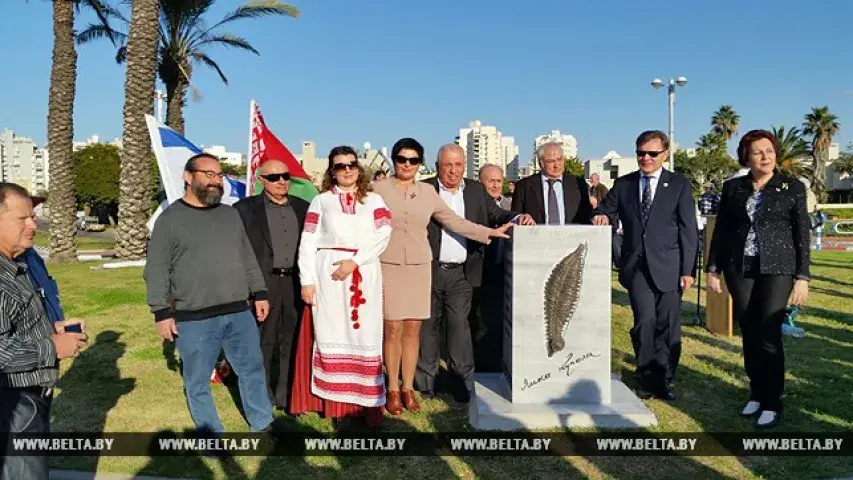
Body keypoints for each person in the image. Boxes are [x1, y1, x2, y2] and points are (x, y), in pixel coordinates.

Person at [372, 138, 512, 415]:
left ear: (420, 164)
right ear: (394, 160)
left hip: (420, 265)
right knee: (392, 330)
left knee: (413, 329)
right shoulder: (378, 189)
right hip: (388, 265)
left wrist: (488, 233)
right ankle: (392, 389)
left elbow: (453, 221)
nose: (407, 165)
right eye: (402, 159)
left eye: (413, 160)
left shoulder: (426, 192)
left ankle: (409, 388)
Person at [144, 153, 277, 435]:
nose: (216, 181)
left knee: (252, 369)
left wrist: (260, 292)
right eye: (208, 174)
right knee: (198, 381)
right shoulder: (169, 220)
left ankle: (262, 422)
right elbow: (156, 269)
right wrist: (161, 312)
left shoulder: (230, 215)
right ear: (188, 177)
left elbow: (247, 256)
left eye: (218, 175)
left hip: (239, 312)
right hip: (194, 318)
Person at [706, 130, 810, 429]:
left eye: (769, 151)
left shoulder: (791, 187)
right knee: (749, 332)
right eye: (758, 152)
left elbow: (801, 232)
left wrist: (802, 276)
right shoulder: (733, 188)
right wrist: (713, 269)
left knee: (768, 332)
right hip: (739, 268)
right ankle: (756, 391)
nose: (765, 157)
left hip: (778, 268)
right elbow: (722, 231)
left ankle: (772, 401)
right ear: (746, 157)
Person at [416, 148, 531, 401]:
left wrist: (518, 217)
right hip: (428, 269)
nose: (453, 170)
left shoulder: (475, 190)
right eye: (447, 165)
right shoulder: (423, 189)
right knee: (429, 327)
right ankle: (426, 382)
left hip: (462, 273)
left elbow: (496, 213)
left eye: (458, 164)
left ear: (464, 165)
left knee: (459, 327)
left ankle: (462, 381)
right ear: (437, 165)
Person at [593, 130, 698, 401]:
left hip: (670, 267)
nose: (646, 158)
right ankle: (646, 375)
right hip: (636, 266)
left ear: (664, 154)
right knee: (645, 322)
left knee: (668, 326)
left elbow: (688, 230)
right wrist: (602, 217)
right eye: (641, 153)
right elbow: (605, 209)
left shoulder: (679, 184)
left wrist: (688, 270)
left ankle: (663, 378)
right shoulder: (624, 184)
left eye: (652, 153)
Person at [291, 146, 392, 427]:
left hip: (364, 272)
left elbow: (384, 233)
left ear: (358, 168)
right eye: (339, 166)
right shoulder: (321, 202)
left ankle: (365, 404)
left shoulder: (374, 199)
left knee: (364, 334)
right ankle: (335, 406)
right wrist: (307, 280)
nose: (346, 169)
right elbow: (308, 242)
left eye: (351, 164)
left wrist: (355, 262)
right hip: (328, 276)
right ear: (331, 172)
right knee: (331, 331)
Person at [0, 183, 87, 480]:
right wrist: (52, 346)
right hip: (12, 402)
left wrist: (53, 329)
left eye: (33, 216)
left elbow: (14, 323)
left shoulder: (18, 263)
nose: (33, 223)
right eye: (23, 218)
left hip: (31, 397)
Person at [233, 159, 309, 411]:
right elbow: (237, 251)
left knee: (293, 341)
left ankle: (287, 396)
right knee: (262, 343)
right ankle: (260, 396)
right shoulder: (244, 209)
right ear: (261, 180)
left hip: (296, 284)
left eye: (285, 176)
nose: (281, 182)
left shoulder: (304, 208)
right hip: (262, 285)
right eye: (274, 177)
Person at [512, 142, 593, 225]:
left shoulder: (578, 184)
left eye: (559, 159)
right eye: (551, 161)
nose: (557, 165)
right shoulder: (523, 186)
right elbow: (515, 217)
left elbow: (587, 217)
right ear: (541, 163)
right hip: (536, 236)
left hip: (571, 236)